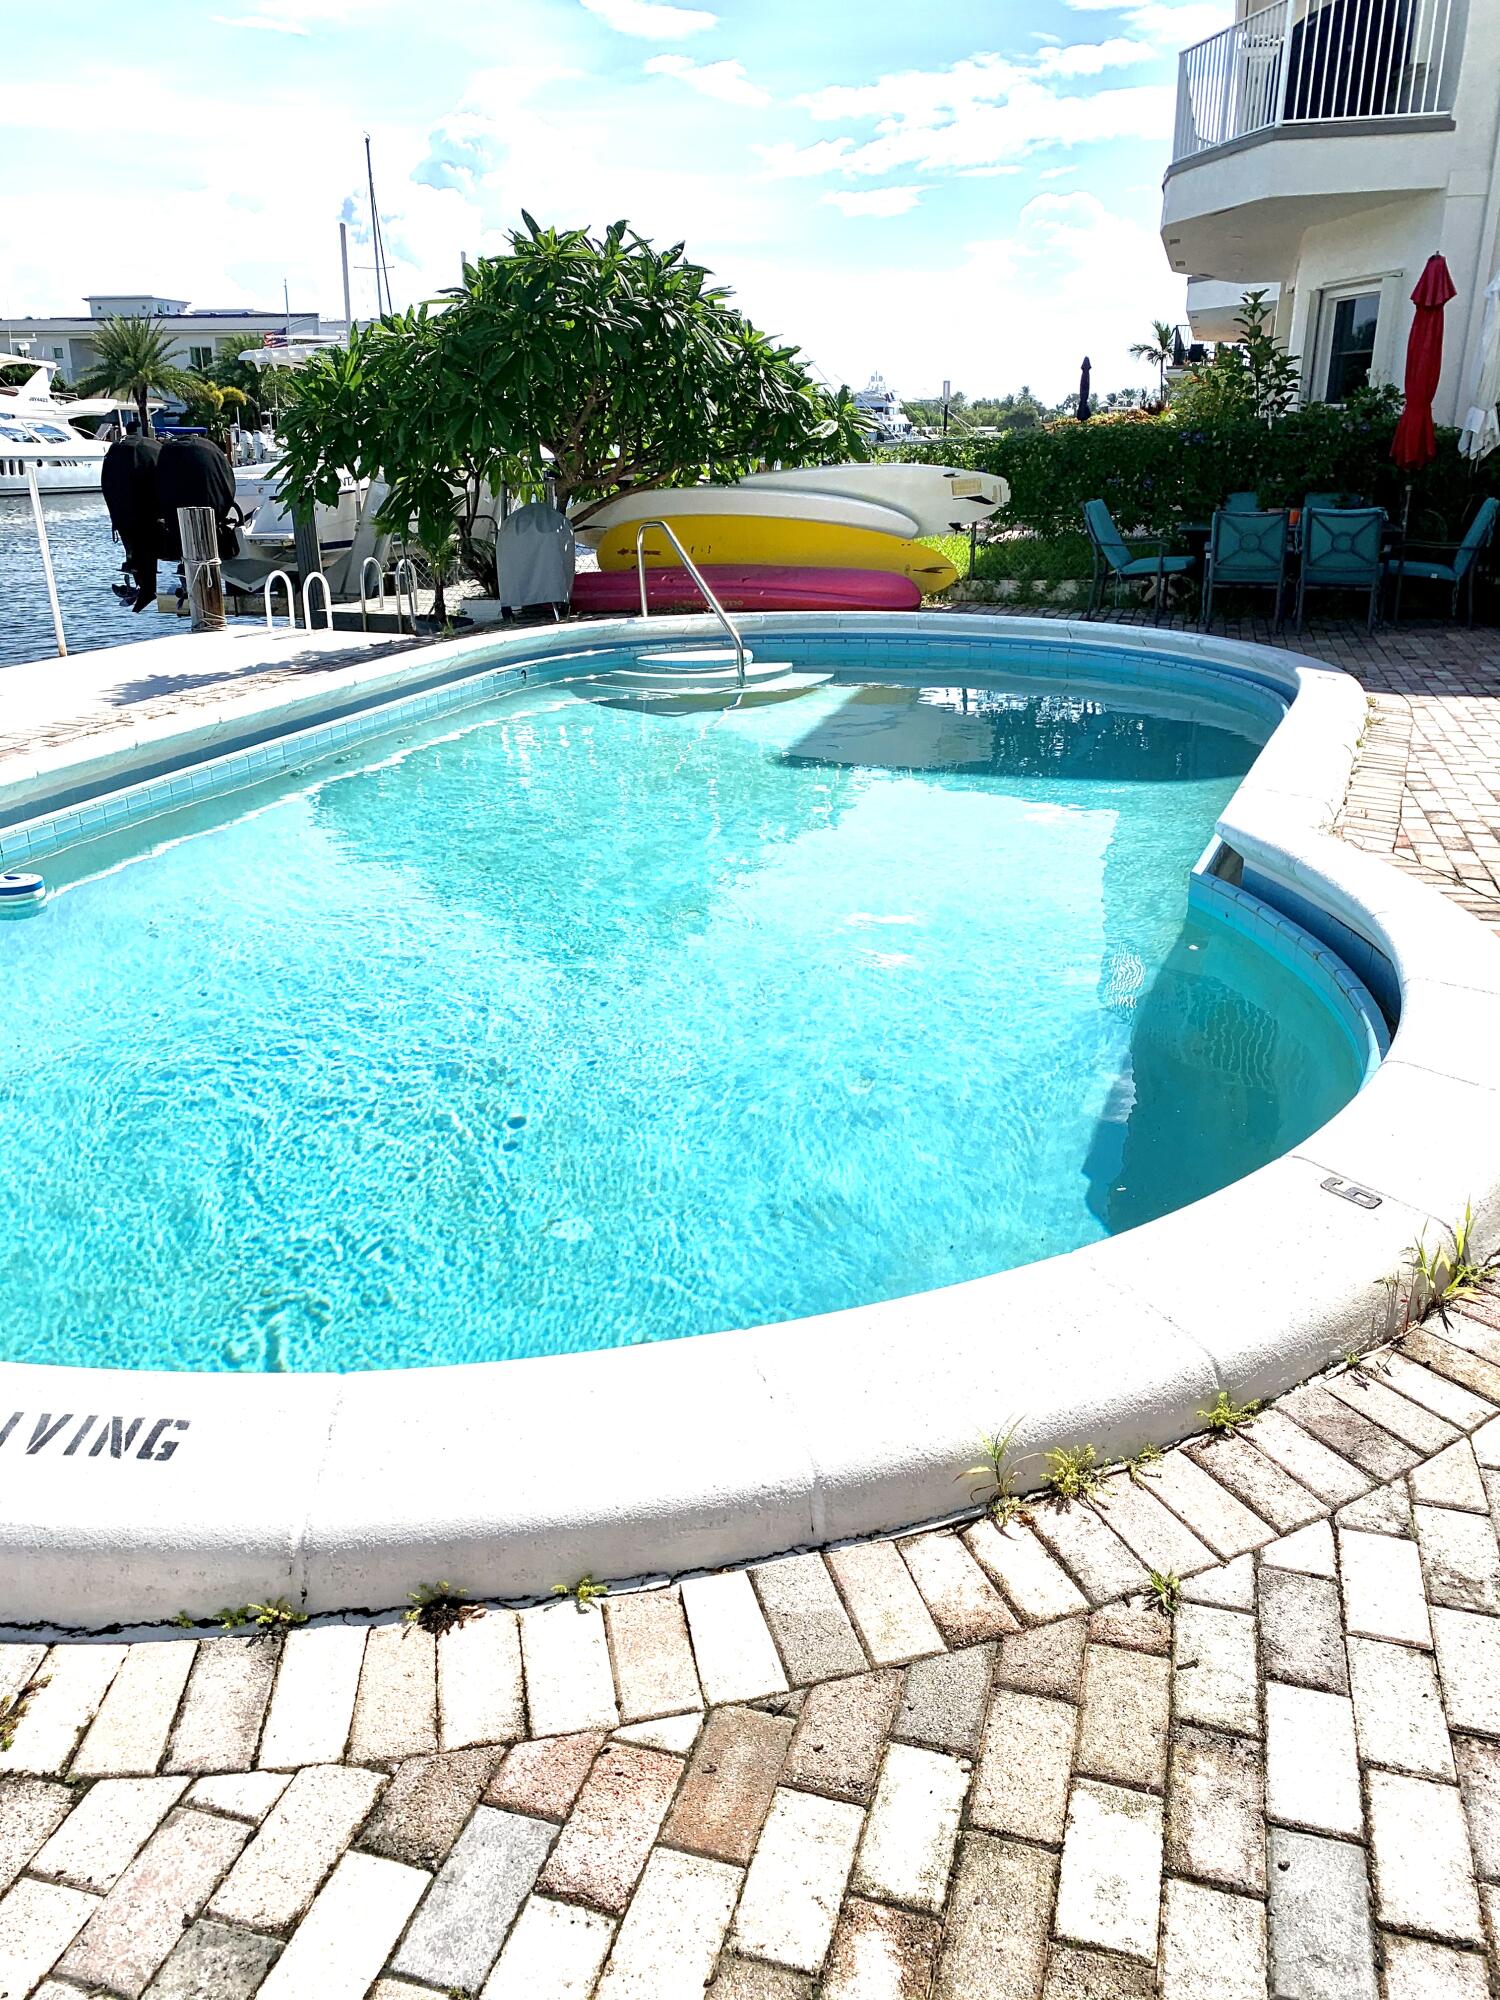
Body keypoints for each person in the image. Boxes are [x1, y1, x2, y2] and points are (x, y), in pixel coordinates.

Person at [100, 420, 163, 612]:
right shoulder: (151, 447)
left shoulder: (116, 450)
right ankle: (145, 587)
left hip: (123, 514)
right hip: (149, 514)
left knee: (134, 549)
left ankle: (142, 585)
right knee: (146, 547)